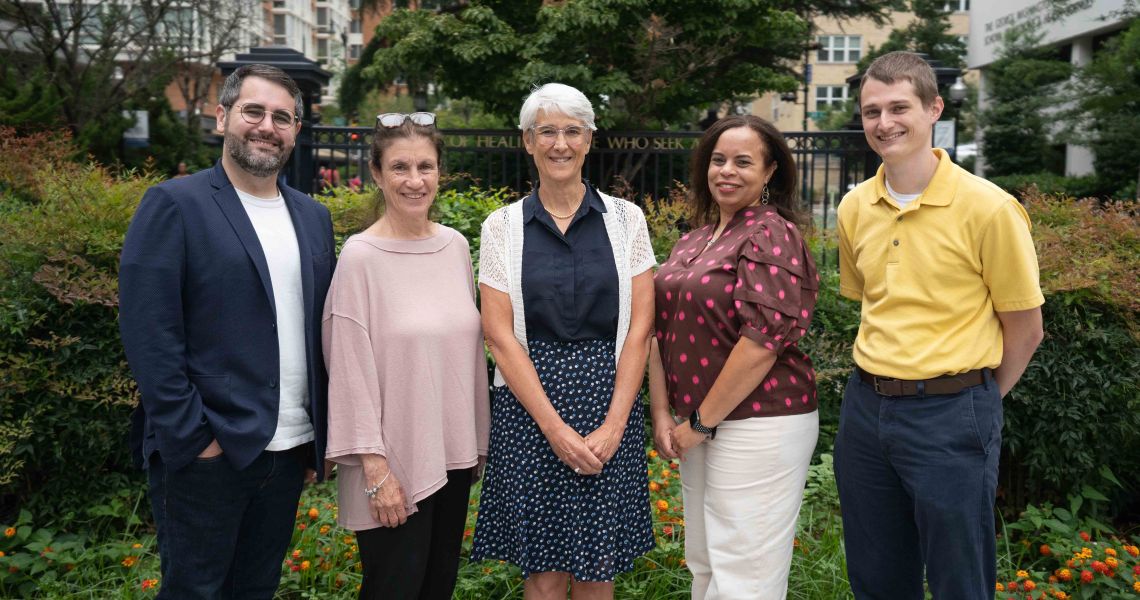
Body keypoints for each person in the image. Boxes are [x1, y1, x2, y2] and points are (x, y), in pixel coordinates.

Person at [119, 64, 336, 599]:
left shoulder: (313, 217)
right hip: (207, 453)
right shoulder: (175, 204)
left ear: (295, 131)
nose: (267, 126)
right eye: (253, 111)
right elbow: (150, 333)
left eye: (281, 117)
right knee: (195, 591)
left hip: (289, 449)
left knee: (256, 590)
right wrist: (196, 439)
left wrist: (313, 439)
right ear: (223, 117)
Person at [835, 51, 1045, 599]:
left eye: (899, 107)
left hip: (952, 412)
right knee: (877, 576)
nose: (885, 123)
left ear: (934, 109)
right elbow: (871, 304)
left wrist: (974, 400)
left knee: (959, 578)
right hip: (866, 408)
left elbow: (1025, 328)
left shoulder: (989, 209)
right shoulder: (855, 206)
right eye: (871, 111)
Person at [471, 83, 656, 600]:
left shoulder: (627, 221)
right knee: (544, 574)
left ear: (590, 140)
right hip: (532, 410)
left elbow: (641, 327)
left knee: (598, 570)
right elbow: (499, 335)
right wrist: (554, 430)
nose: (560, 143)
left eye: (572, 131)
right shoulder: (501, 227)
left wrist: (616, 424)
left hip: (607, 400)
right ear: (528, 141)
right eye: (547, 131)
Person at [649, 115, 820, 600]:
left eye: (744, 162)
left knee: (745, 577)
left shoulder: (771, 232)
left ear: (770, 174)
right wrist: (664, 413)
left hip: (760, 422)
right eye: (718, 160)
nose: (727, 170)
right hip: (699, 421)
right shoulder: (694, 239)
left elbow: (762, 341)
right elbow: (659, 331)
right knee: (705, 564)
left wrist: (699, 424)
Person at [321, 111, 490, 600]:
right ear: (376, 173)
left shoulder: (455, 247)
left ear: (440, 172)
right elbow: (348, 371)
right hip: (392, 468)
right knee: (394, 590)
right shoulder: (360, 258)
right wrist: (376, 472)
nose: (414, 181)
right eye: (400, 168)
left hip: (451, 457)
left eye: (425, 167)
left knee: (437, 588)